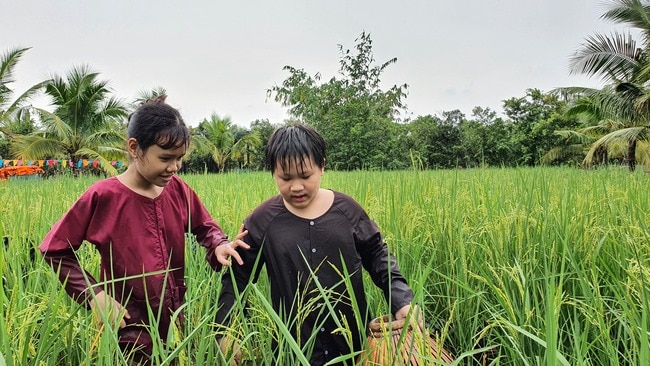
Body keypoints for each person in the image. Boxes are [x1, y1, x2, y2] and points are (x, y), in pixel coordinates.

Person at [39, 95, 248, 365]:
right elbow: (55, 250)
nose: (174, 167)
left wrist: (218, 243)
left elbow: (204, 225)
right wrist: (94, 295)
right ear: (135, 148)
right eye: (165, 158)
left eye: (179, 159)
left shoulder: (178, 190)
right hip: (126, 330)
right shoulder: (103, 196)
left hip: (175, 327)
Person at [215, 123, 415, 365]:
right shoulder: (262, 220)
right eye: (285, 177)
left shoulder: (348, 211)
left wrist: (403, 301)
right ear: (273, 173)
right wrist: (226, 331)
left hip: (354, 346)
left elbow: (378, 256)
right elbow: (238, 279)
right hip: (292, 349)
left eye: (305, 176)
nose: (296, 186)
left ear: (322, 166)